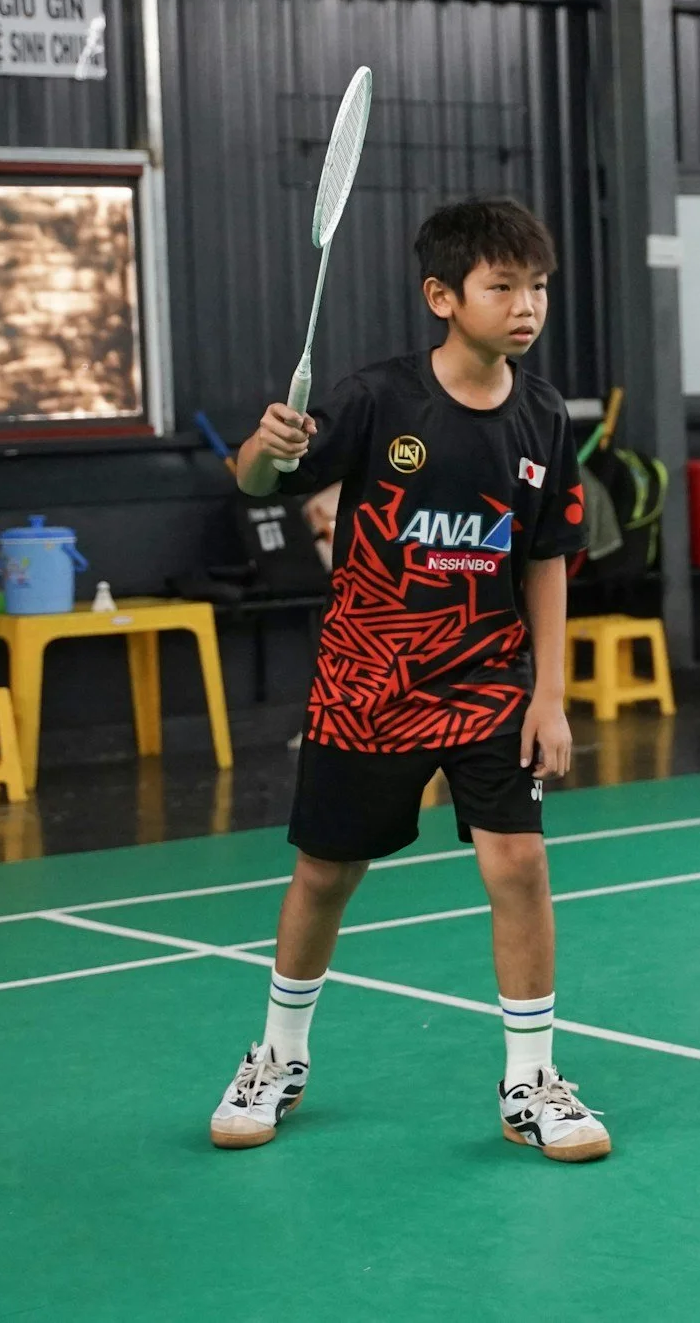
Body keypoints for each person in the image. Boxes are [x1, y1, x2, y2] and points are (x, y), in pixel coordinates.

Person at [208, 195, 607, 1163]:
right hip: (368, 674)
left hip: (487, 675)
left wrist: (548, 693)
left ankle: (531, 1079)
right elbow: (257, 484)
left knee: (518, 863)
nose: (526, 305)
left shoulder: (542, 412)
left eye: (538, 286)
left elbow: (546, 555)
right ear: (443, 295)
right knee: (324, 873)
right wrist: (267, 444)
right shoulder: (377, 398)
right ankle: (278, 1055)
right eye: (501, 285)